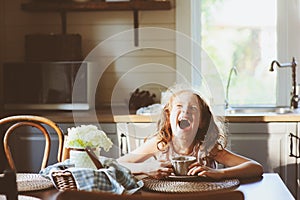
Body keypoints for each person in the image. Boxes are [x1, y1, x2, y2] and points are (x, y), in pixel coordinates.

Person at [117, 89, 263, 180]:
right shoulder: (160, 144)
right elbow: (117, 165)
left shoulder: (207, 148)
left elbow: (255, 167)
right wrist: (147, 168)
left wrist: (219, 174)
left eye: (193, 108)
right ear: (168, 117)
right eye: (179, 107)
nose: (186, 111)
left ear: (202, 122)